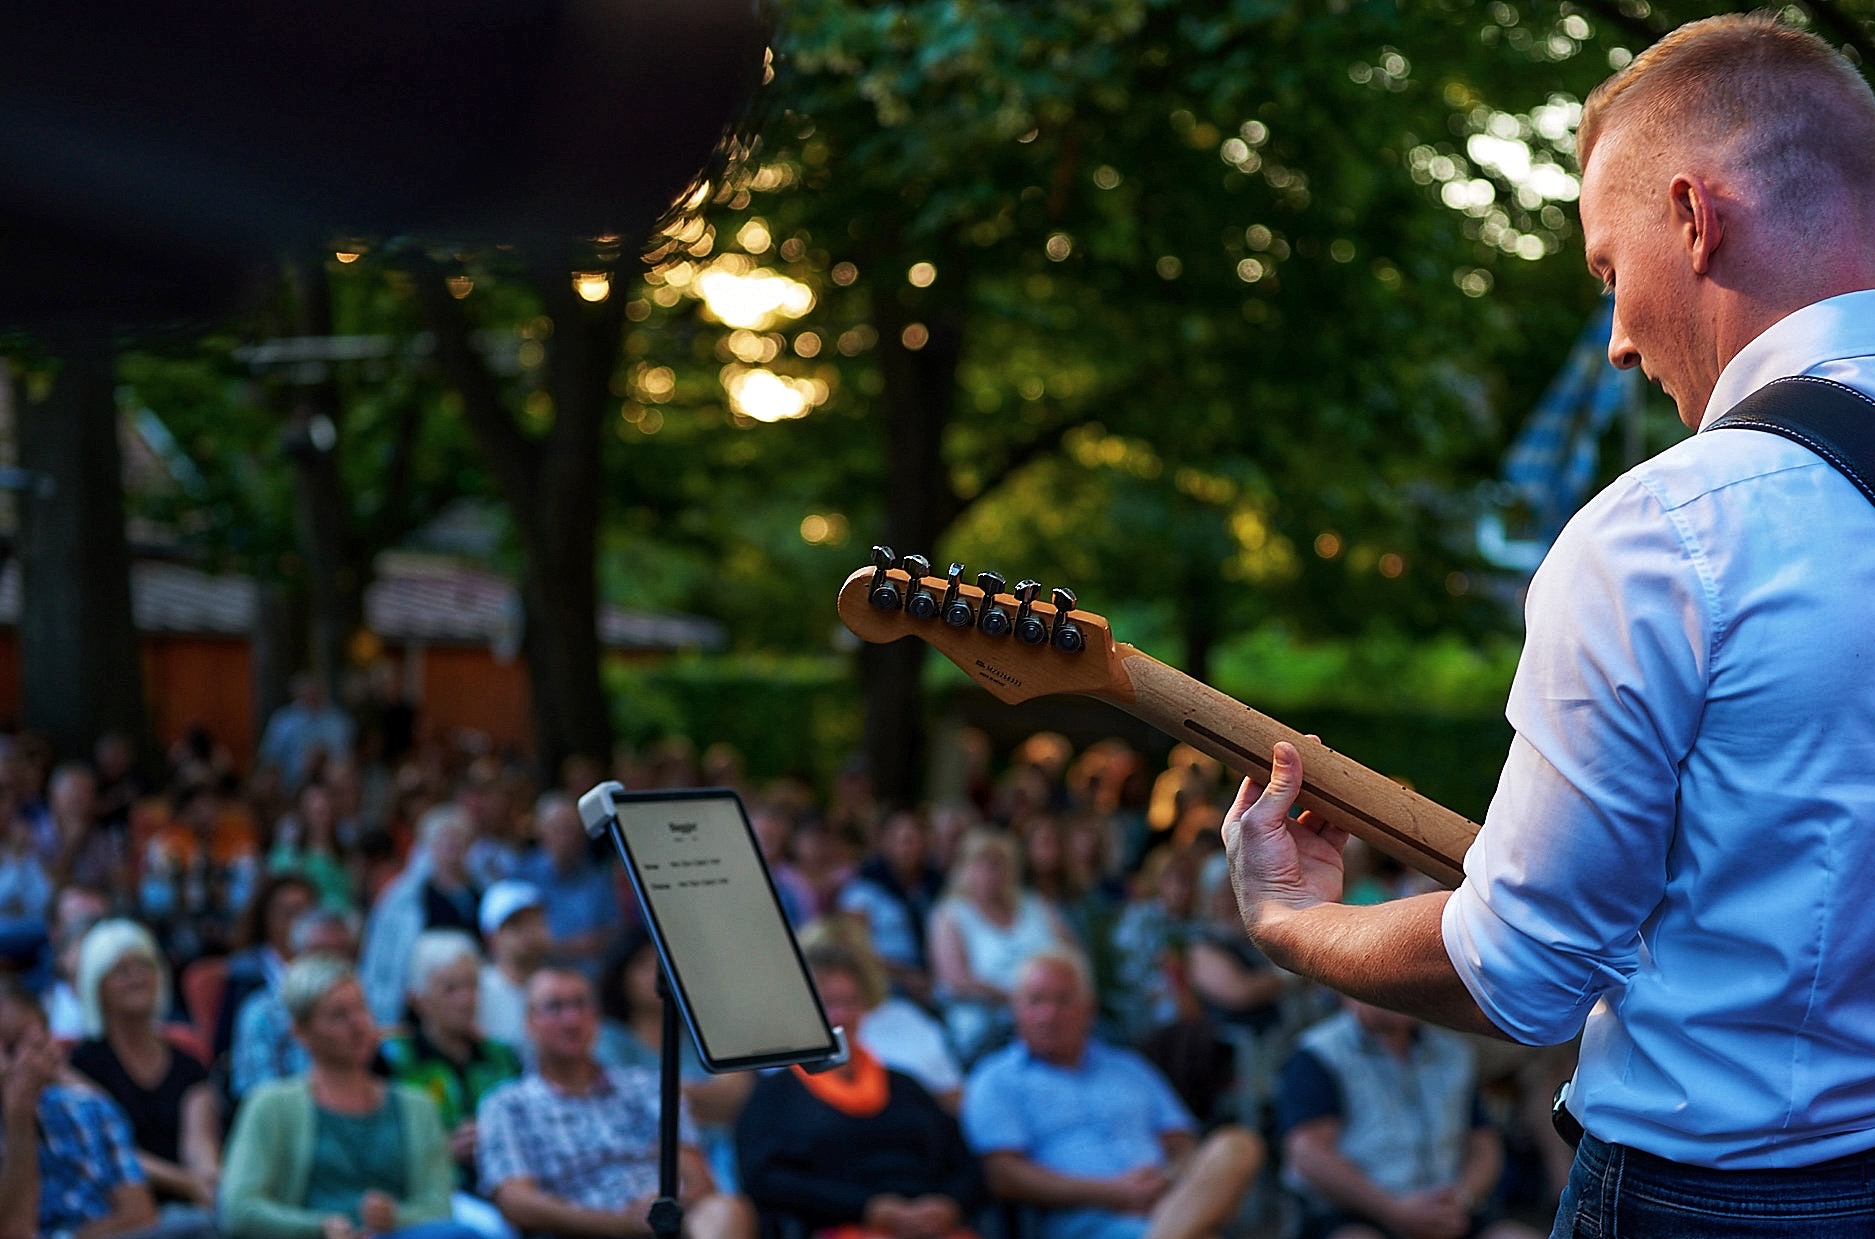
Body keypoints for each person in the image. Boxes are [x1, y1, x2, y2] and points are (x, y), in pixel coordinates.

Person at [1221, 13, 1875, 1234]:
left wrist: (1296, 924)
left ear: (1694, 216)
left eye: (1606, 272)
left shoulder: (1673, 529)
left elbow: (1516, 977)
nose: (1620, 341)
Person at [960, 951, 1261, 1239]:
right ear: (1016, 1010)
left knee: (1238, 1146)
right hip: (1085, 1221)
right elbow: (1002, 1175)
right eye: (1035, 1001)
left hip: (1165, 1203)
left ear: (1089, 1009)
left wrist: (1163, 1183)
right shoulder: (995, 1080)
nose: (1048, 1015)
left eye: (1063, 1000)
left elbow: (1180, 1142)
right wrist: (1113, 1192)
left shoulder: (1129, 1068)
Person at [475, 968, 755, 1239]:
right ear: (529, 1023)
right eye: (554, 1007)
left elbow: (698, 1180)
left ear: (597, 1017)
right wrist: (618, 1224)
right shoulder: (507, 1106)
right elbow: (515, 1201)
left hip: (667, 1219)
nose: (572, 1019)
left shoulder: (646, 1087)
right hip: (578, 1227)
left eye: (581, 1004)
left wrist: (661, 1210)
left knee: (725, 1210)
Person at [735, 942, 984, 1238]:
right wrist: (865, 1207)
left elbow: (965, 1164)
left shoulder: (904, 1085)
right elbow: (764, 1180)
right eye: (827, 1003)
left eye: (850, 1001)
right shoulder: (776, 1096)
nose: (841, 1016)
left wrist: (948, 1204)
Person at [219, 956, 475, 1239]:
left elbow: (439, 1206)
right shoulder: (271, 1105)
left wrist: (395, 1217)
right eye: (338, 1015)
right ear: (302, 1033)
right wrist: (319, 1227)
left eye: (361, 1008)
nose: (358, 1025)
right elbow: (238, 1208)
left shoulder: (416, 1105)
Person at [1276, 999, 1540, 1239]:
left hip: (1450, 1212)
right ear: (1346, 988)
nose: (1399, 990)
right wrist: (1393, 1210)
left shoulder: (1452, 1051)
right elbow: (1309, 1154)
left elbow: (1484, 1141)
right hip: (1359, 1214)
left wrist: (1462, 1198)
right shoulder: (1319, 1053)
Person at [0, 978, 211, 1239]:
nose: (21, 1063)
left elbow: (139, 1213)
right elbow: (14, 1232)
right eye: (10, 1048)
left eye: (29, 1044)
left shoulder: (89, 1108)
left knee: (202, 1226)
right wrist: (19, 1114)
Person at [68, 920, 222, 1212]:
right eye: (121, 970)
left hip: (189, 1209)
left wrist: (208, 1181)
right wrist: (187, 1184)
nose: (136, 978)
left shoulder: (188, 1064)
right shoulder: (80, 1065)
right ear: (96, 985)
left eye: (145, 965)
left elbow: (201, 1146)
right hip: (119, 1212)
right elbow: (108, 1151)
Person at [380, 931, 521, 1239]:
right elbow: (379, 1143)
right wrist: (443, 1147)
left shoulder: (502, 1056)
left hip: (509, 1183)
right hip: (434, 1191)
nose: (466, 999)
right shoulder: (393, 1058)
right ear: (417, 999)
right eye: (451, 989)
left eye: (472, 986)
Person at [929, 829, 1075, 1064]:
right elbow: (955, 981)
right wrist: (1022, 1000)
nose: (992, 873)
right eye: (983, 864)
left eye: (1000, 864)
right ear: (964, 868)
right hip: (988, 1025)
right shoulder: (950, 916)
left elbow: (1073, 958)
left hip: (1052, 1011)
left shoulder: (1037, 906)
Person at [230, 907, 359, 1103]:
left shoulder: (363, 1009)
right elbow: (257, 1095)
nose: (332, 964)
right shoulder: (262, 1012)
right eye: (321, 954)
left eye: (341, 952)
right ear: (294, 957)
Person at [513, 793, 619, 981]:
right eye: (557, 828)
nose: (566, 837)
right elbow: (519, 938)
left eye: (571, 829)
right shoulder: (522, 876)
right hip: (536, 979)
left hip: (590, 980)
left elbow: (612, 932)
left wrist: (555, 945)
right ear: (540, 829)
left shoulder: (597, 878)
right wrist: (572, 946)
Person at [474, 880, 549, 1052]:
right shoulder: (477, 989)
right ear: (490, 937)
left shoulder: (561, 985)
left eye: (536, 921)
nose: (530, 931)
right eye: (516, 924)